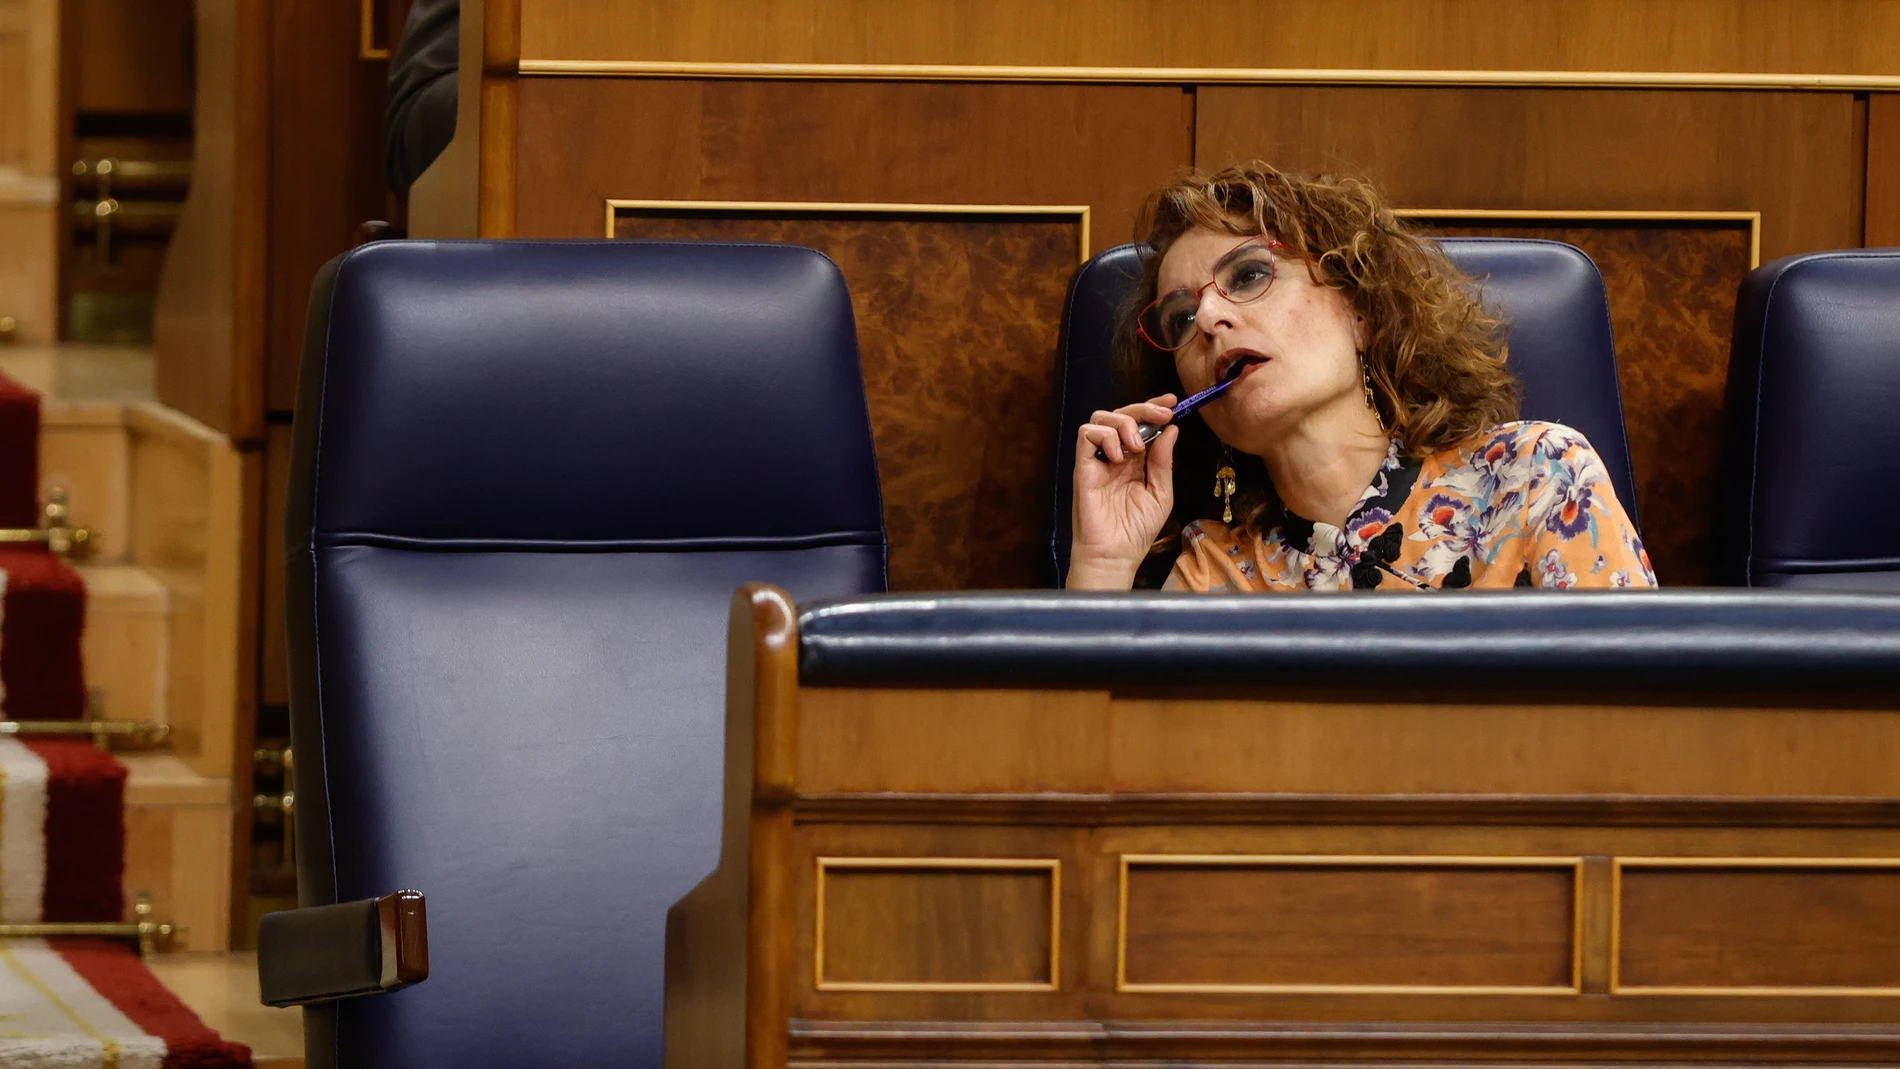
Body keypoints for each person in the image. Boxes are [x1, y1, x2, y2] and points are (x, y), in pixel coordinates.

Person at [1067, 163, 1655, 593]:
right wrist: (1102, 563)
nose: (1209, 319)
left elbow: (1640, 715)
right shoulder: (1211, 573)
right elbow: (1087, 730)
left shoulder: (1535, 478)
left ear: (1361, 311)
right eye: (1181, 317)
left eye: (1247, 276)